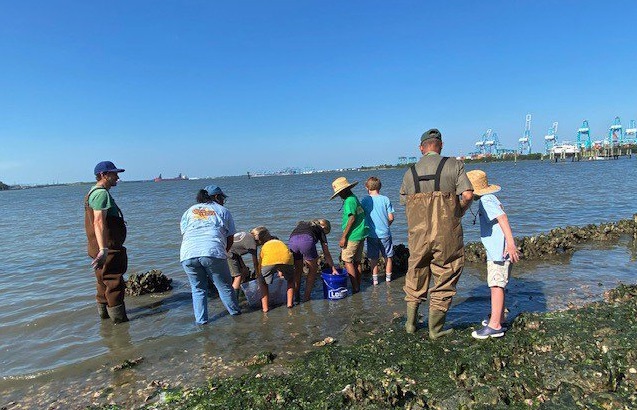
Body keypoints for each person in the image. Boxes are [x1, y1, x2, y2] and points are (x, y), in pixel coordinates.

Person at [400, 129, 473, 339]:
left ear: (421, 148)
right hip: (446, 231)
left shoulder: (409, 172)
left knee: (415, 272)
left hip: (418, 234)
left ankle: (411, 324)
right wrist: (459, 210)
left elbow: (405, 204)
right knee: (446, 273)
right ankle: (436, 329)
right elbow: (467, 195)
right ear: (440, 145)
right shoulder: (454, 165)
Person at [467, 170, 520, 339]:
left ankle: (495, 325)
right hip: (499, 249)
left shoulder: (486, 200)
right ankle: (500, 318)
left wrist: (511, 244)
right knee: (499, 285)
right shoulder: (489, 198)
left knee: (496, 286)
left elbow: (502, 218)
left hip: (500, 251)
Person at [179, 185, 241, 325]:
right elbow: (230, 237)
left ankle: (201, 322)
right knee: (224, 286)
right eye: (222, 198)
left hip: (187, 253)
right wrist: (223, 252)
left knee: (198, 289)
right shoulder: (222, 211)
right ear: (216, 197)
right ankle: (236, 316)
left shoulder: (189, 211)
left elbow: (185, 232)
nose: (224, 201)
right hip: (212, 251)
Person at [84, 161, 129, 323]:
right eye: (114, 174)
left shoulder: (92, 192)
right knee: (114, 282)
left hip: (97, 247)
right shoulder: (101, 193)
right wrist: (104, 249)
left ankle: (106, 323)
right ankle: (120, 323)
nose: (117, 177)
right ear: (103, 175)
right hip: (108, 247)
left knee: (102, 282)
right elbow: (98, 222)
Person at [330, 177, 368, 293]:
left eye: (340, 193)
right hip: (360, 233)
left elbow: (351, 219)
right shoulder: (353, 198)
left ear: (343, 191)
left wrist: (344, 237)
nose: (339, 196)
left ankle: (355, 287)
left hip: (353, 235)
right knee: (356, 262)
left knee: (347, 260)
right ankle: (358, 285)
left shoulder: (349, 201)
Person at [288, 219, 339, 302]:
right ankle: (306, 297)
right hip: (306, 241)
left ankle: (296, 295)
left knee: (298, 270)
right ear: (324, 228)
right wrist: (333, 268)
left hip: (292, 241)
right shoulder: (320, 229)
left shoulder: (304, 224)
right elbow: (326, 252)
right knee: (313, 269)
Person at [250, 226, 295, 312]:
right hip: (287, 259)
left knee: (263, 282)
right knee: (290, 280)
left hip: (269, 261)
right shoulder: (279, 242)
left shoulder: (264, 247)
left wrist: (259, 275)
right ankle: (289, 304)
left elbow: (260, 264)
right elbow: (283, 255)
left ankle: (265, 308)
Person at [361, 176, 395, 285]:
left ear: (367, 187)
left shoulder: (365, 200)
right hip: (385, 233)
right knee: (388, 257)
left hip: (371, 234)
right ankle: (388, 278)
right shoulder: (385, 199)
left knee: (373, 258)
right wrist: (386, 225)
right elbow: (391, 218)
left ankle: (375, 280)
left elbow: (361, 216)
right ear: (380, 187)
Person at [227, 231, 259, 299]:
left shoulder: (247, 235)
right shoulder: (252, 244)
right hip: (228, 253)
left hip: (230, 250)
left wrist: (243, 267)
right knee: (237, 276)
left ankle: (242, 294)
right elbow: (255, 263)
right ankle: (233, 300)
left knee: (245, 272)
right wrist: (257, 274)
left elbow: (236, 250)